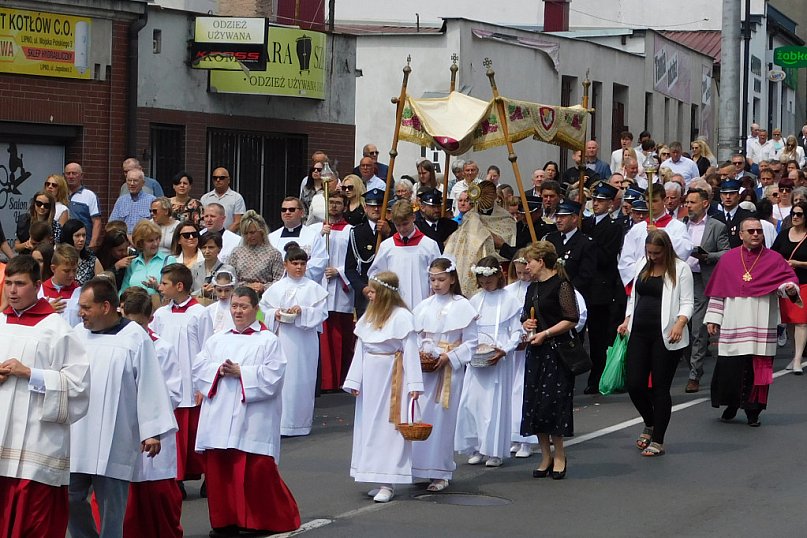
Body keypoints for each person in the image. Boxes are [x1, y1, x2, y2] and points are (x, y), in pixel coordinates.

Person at [69, 277, 176, 538]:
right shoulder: (75, 335)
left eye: (86, 307)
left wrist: (151, 430)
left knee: (111, 509)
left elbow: (150, 382)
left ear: (106, 307)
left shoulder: (135, 337)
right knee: (69, 498)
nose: (79, 312)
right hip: (77, 435)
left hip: (115, 435)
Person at [193, 286, 301, 535]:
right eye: (234, 306)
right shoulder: (217, 338)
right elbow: (198, 368)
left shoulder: (268, 340)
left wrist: (243, 372)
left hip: (253, 418)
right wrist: (218, 370)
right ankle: (225, 521)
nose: (238, 311)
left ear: (256, 309)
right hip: (219, 415)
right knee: (222, 474)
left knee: (255, 471)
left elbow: (274, 377)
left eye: (243, 306)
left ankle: (261, 521)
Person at [0, 255, 90, 538]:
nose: (12, 290)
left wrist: (30, 373)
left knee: (34, 522)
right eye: (9, 283)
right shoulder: (0, 322)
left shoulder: (57, 330)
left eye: (20, 284)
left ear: (37, 285)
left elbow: (78, 386)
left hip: (37, 445)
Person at [706, 217, 801, 426]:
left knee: (757, 368)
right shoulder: (728, 259)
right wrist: (713, 318)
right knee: (731, 367)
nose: (756, 234)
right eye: (751, 231)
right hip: (733, 320)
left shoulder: (774, 259)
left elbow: (786, 283)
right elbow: (718, 292)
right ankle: (731, 403)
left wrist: (790, 289)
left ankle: (753, 411)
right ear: (741, 235)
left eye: (759, 230)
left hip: (761, 320)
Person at [343, 271, 423, 503]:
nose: (369, 294)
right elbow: (361, 350)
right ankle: (374, 475)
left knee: (389, 430)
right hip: (370, 379)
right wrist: (354, 381)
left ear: (386, 293)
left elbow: (410, 352)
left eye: (373, 290)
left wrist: (414, 384)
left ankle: (388, 481)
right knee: (369, 427)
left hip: (393, 377)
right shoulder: (370, 315)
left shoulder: (402, 317)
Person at [617, 230, 693, 457]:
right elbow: (634, 298)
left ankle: (658, 439)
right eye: (649, 252)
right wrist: (626, 319)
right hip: (639, 332)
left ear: (666, 250)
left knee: (660, 387)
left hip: (666, 335)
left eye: (657, 253)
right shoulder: (643, 264)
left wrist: (680, 324)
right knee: (635, 384)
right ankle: (650, 422)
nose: (653, 257)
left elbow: (688, 302)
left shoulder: (681, 269)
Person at [119, 287, 183, 538]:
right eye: (128, 321)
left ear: (150, 319)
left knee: (156, 494)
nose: (133, 329)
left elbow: (174, 393)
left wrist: (146, 411)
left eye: (139, 323)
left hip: (154, 431)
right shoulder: (114, 343)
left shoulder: (163, 349)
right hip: (123, 429)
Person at [410, 257, 477, 492]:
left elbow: (471, 342)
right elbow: (416, 335)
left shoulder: (462, 305)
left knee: (442, 419)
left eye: (441, 279)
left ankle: (440, 471)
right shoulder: (424, 306)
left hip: (448, 367)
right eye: (432, 279)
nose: (436, 284)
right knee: (421, 415)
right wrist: (422, 352)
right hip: (426, 366)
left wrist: (449, 356)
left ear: (452, 279)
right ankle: (419, 468)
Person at [150, 263, 213, 495]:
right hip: (170, 382)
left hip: (192, 383)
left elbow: (207, 349)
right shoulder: (160, 314)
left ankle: (209, 477)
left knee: (196, 433)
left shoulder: (200, 313)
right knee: (173, 435)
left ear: (179, 286)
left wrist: (202, 385)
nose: (161, 287)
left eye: (165, 283)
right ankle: (176, 480)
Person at [520, 242, 579, 480]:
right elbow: (525, 314)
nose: (526, 267)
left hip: (556, 351)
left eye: (529, 262)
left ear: (541, 261)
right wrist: (526, 324)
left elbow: (571, 318)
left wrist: (546, 333)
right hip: (536, 352)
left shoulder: (561, 285)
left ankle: (560, 455)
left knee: (554, 403)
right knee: (536, 404)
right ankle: (545, 455)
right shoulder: (532, 288)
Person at [456, 256, 521, 468]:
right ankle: (475, 445)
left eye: (489, 280)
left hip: (497, 352)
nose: (486, 285)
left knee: (493, 404)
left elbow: (517, 332)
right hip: (477, 353)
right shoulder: (475, 300)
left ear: (498, 277)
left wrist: (505, 349)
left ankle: (494, 449)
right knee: (471, 402)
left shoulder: (509, 299)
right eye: (482, 281)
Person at [259, 243, 328, 436]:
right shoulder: (276, 288)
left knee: (303, 380)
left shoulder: (314, 288)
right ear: (285, 264)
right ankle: (279, 424)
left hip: (305, 341)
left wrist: (303, 311)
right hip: (283, 338)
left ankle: (300, 424)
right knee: (283, 379)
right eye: (294, 263)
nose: (298, 267)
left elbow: (322, 313)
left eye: (302, 263)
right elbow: (263, 311)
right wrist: (276, 313)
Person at [682, 188, 730, 393]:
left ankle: (695, 373)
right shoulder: (680, 226)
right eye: (687, 202)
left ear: (704, 204)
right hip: (681, 278)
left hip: (702, 279)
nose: (688, 206)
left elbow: (726, 253)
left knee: (698, 329)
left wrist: (708, 256)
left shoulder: (716, 227)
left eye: (692, 202)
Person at [581, 182, 625, 394]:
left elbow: (606, 257)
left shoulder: (613, 227)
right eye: (594, 200)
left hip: (600, 287)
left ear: (609, 204)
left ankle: (596, 375)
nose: (596, 203)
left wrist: (587, 247)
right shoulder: (584, 223)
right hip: (582, 286)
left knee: (598, 337)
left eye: (600, 201)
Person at [618, 184, 693, 291]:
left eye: (655, 201)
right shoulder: (637, 229)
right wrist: (642, 275)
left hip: (667, 282)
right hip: (642, 282)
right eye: (648, 201)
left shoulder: (677, 226)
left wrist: (660, 233)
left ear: (664, 200)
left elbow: (685, 249)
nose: (651, 205)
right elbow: (626, 260)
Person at [369, 199, 441, 309]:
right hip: (394, 304)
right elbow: (376, 274)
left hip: (423, 302)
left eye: (405, 224)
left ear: (413, 217)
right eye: (398, 225)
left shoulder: (429, 245)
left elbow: (437, 275)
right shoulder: (387, 246)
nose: (402, 229)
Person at [319, 193, 355, 391]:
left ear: (345, 206)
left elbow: (354, 260)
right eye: (331, 202)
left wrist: (339, 271)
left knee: (341, 335)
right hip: (322, 286)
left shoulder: (350, 231)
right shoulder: (318, 229)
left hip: (341, 288)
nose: (333, 206)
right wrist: (320, 235)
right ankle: (326, 380)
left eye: (338, 203)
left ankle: (341, 378)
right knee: (324, 336)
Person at [505, 252, 538, 457]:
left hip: (532, 345)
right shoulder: (508, 292)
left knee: (525, 391)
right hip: (513, 349)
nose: (522, 276)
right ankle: (513, 436)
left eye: (525, 271)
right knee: (512, 393)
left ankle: (527, 438)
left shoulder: (537, 289)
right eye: (517, 272)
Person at [771, 201, 807, 374]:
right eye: (793, 213)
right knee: (791, 322)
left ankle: (798, 359)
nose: (795, 217)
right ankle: (795, 355)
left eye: (799, 214)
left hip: (805, 283)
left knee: (801, 321)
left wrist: (798, 263)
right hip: (786, 284)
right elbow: (773, 254)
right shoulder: (784, 234)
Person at [344, 188, 388, 318]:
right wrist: (362, 288)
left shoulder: (392, 230)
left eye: (379, 206)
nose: (376, 209)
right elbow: (350, 268)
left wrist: (388, 232)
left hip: (388, 290)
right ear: (365, 207)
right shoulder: (357, 232)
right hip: (366, 291)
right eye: (372, 206)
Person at [268, 197, 328, 283]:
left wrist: (294, 272)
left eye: (291, 209)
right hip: (278, 285)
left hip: (304, 285)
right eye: (284, 210)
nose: (287, 212)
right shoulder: (271, 237)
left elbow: (320, 261)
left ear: (302, 213)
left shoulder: (313, 236)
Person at [228, 211, 284, 295]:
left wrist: (264, 287)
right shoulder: (236, 252)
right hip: (240, 295)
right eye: (245, 233)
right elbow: (229, 278)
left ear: (261, 232)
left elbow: (280, 280)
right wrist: (246, 286)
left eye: (252, 232)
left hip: (264, 297)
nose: (249, 236)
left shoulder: (274, 254)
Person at [121, 220, 176, 297]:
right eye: (150, 240)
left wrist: (157, 287)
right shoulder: (133, 263)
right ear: (140, 243)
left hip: (158, 307)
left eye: (157, 239)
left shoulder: (169, 261)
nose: (156, 243)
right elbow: (123, 291)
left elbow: (175, 291)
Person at [38, 243, 81, 327]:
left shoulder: (80, 293)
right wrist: (44, 310)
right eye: (66, 271)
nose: (72, 275)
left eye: (74, 270)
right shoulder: (39, 291)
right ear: (53, 268)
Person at [64, 162, 102, 249]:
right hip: (64, 245)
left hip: (84, 244)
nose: (71, 176)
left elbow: (97, 221)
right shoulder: (60, 194)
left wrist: (93, 243)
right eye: (68, 173)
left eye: (74, 173)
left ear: (81, 176)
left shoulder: (89, 195)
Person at [109, 168, 157, 234]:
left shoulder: (152, 200)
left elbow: (157, 225)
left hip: (143, 240)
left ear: (143, 183)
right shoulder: (121, 201)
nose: (132, 184)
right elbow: (112, 225)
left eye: (135, 181)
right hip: (124, 241)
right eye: (129, 180)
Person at [200, 167, 246, 233]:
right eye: (215, 178)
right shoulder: (205, 198)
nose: (218, 180)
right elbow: (202, 220)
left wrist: (224, 235)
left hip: (230, 239)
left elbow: (238, 222)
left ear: (229, 180)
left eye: (222, 178)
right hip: (208, 239)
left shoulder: (237, 198)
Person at [715, 179, 756, 248]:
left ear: (739, 196)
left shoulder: (748, 217)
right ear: (720, 196)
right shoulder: (715, 219)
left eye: (732, 194)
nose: (728, 197)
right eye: (725, 194)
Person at [58, 219, 101, 284]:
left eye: (84, 235)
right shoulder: (57, 259)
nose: (82, 239)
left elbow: (102, 286)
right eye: (77, 236)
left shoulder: (92, 260)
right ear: (69, 237)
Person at [195, 231, 235, 300]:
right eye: (204, 247)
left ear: (219, 249)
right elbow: (189, 293)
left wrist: (216, 292)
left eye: (211, 247)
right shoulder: (195, 268)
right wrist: (201, 292)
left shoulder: (228, 270)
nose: (207, 251)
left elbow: (234, 294)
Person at [206, 270, 236, 334]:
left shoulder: (238, 310)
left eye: (227, 290)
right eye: (219, 290)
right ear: (214, 289)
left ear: (232, 289)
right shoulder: (208, 310)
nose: (223, 294)